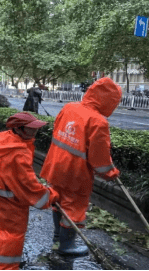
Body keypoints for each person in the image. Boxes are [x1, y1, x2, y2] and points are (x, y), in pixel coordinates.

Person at [40, 77, 123, 256]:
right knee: (73, 208)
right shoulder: (98, 122)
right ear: (110, 101)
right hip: (75, 173)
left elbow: (58, 132)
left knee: (57, 200)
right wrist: (111, 173)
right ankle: (67, 245)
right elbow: (99, 157)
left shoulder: (69, 107)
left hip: (55, 164)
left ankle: (58, 236)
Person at [0, 112, 59, 270]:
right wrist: (51, 196)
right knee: (9, 234)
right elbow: (29, 188)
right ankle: (5, 266)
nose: (36, 132)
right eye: (31, 129)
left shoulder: (1, 138)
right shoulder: (18, 155)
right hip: (7, 203)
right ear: (18, 129)